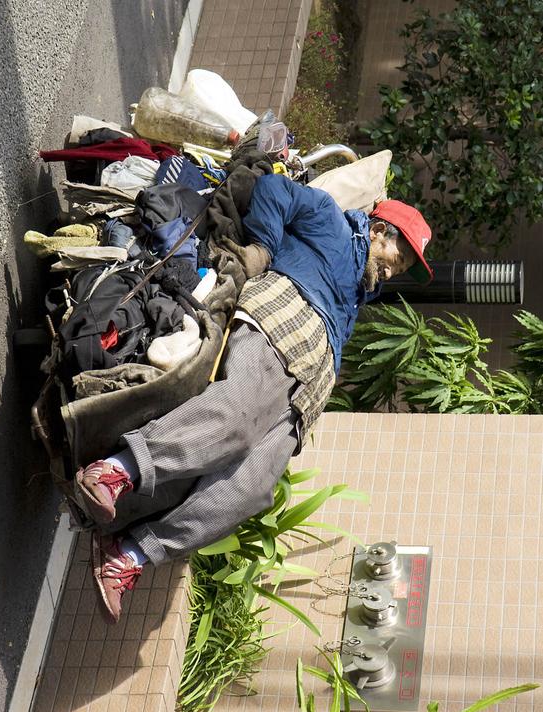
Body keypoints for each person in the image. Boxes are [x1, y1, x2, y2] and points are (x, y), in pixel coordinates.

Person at [74, 173, 433, 624]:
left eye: (404, 270)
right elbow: (273, 190)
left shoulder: (357, 299)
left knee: (252, 487)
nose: (396, 269)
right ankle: (115, 471)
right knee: (236, 420)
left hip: (308, 391)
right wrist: (264, 247)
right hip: (283, 326)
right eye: (400, 256)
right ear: (379, 230)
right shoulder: (332, 221)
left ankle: (128, 553)